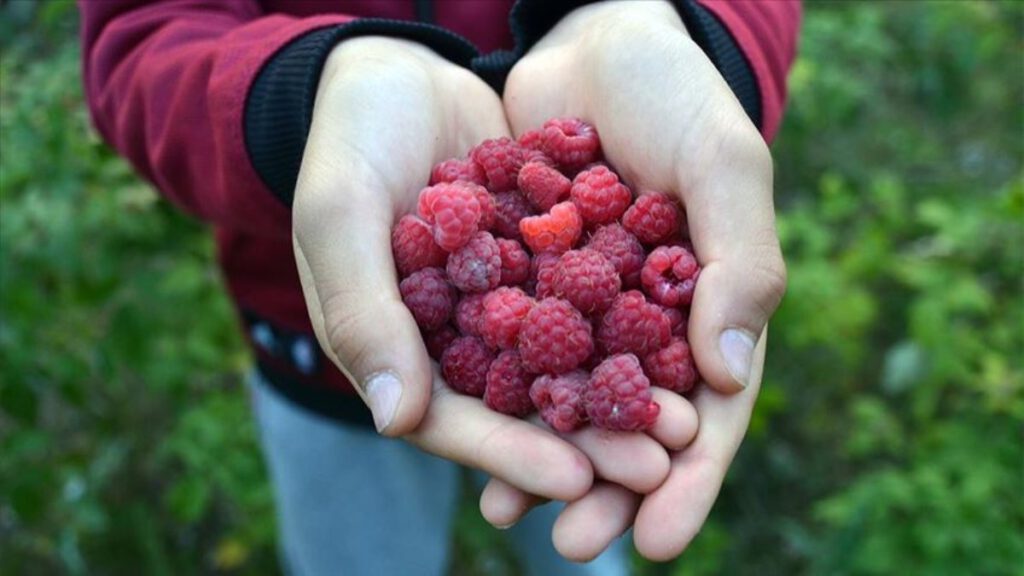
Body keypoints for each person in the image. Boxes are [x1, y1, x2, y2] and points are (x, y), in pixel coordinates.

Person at [79, 1, 800, 574]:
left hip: (567, 399)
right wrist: (302, 95)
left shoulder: (575, 296)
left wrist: (679, 28)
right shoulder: (484, 272)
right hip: (309, 352)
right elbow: (140, 36)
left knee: (586, 512)